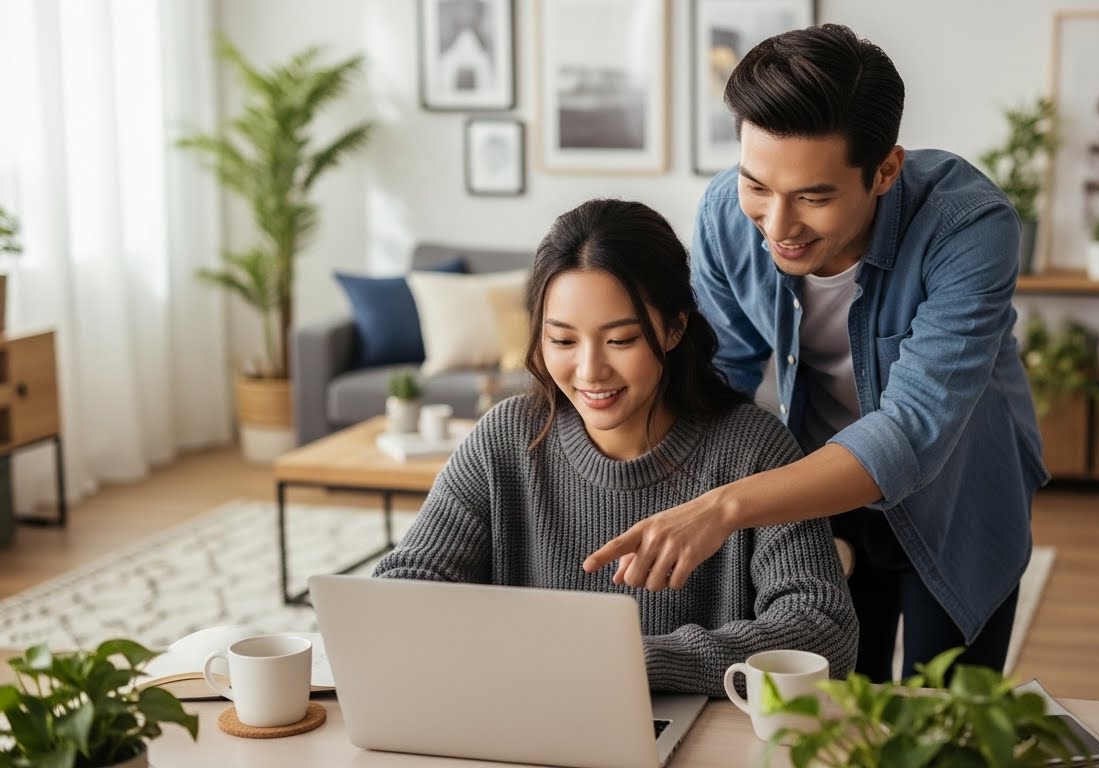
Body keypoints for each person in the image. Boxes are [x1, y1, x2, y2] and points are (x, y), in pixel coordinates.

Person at [583, 24, 1047, 682]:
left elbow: (911, 430)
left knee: (942, 719)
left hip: (959, 492)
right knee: (836, 703)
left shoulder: (967, 226)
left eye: (814, 196)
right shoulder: (723, 215)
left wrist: (725, 506)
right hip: (815, 489)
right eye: (757, 187)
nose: (776, 227)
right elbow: (719, 377)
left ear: (885, 169)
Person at [372, 198, 858, 697]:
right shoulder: (507, 437)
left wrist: (633, 662)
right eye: (562, 341)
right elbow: (404, 585)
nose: (590, 371)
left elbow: (823, 632)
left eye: (621, 340)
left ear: (674, 328)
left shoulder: (753, 449)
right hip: (522, 718)